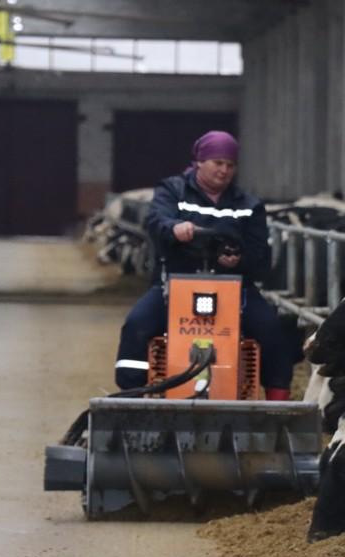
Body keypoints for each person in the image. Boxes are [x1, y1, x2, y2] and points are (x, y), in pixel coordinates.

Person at [113, 130, 294, 400]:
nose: (224, 171)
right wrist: (174, 228)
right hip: (174, 285)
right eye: (217, 163)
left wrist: (238, 260)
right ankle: (131, 396)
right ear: (199, 161)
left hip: (234, 289)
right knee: (137, 325)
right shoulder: (172, 191)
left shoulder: (248, 205)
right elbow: (156, 221)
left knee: (272, 330)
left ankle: (278, 407)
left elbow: (259, 255)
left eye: (230, 165)